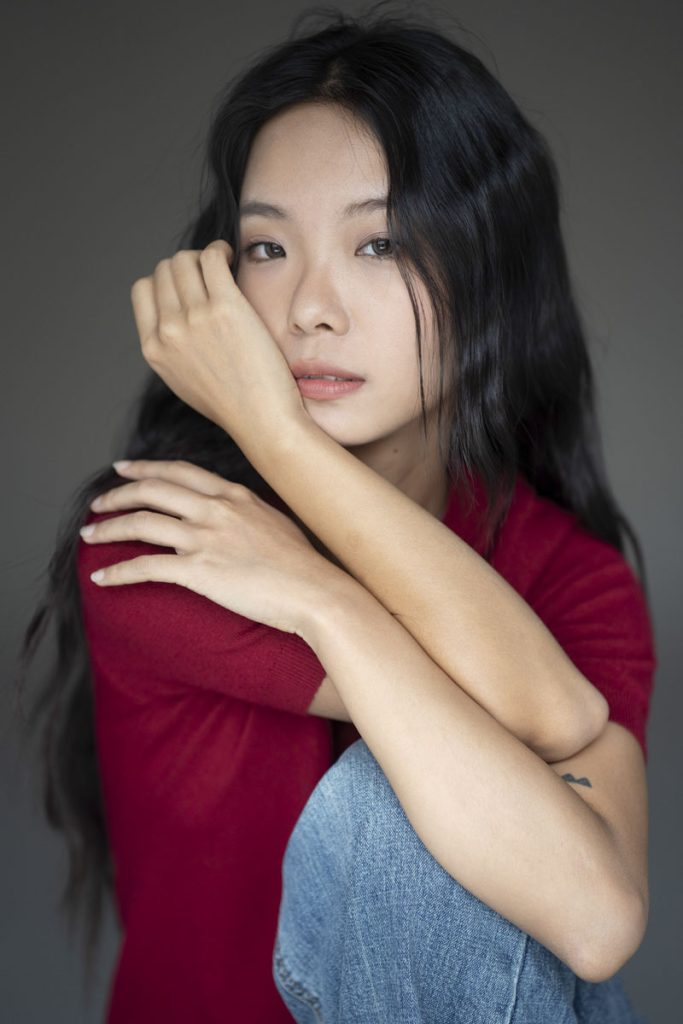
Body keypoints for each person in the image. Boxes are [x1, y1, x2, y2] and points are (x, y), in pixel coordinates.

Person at [19, 3, 656, 1022]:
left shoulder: (568, 571)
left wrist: (318, 572)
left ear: (487, 273)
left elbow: (593, 914)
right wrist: (276, 473)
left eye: (379, 243)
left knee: (433, 800)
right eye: (268, 249)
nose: (310, 307)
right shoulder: (163, 536)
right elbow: (555, 720)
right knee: (406, 800)